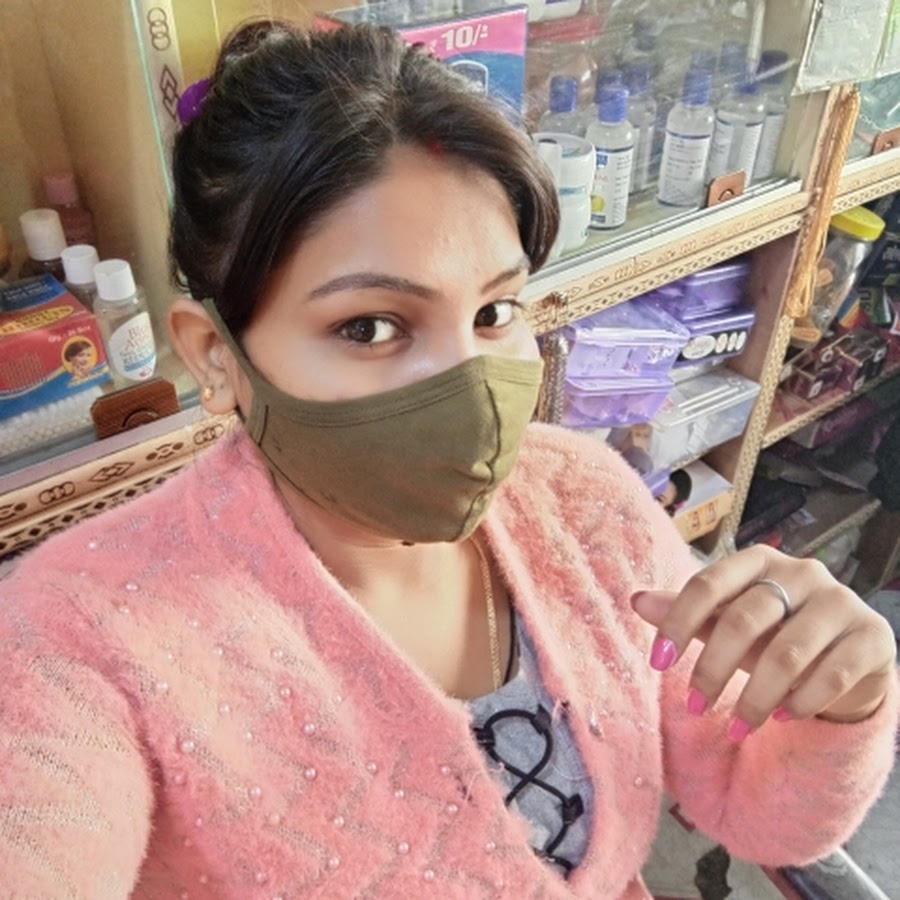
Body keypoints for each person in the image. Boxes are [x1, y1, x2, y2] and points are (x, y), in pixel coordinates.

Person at [1, 21, 897, 899]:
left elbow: (756, 810)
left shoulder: (583, 504)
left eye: (494, 312)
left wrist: (840, 697)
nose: (468, 388)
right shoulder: (80, 638)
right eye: (370, 326)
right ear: (214, 356)